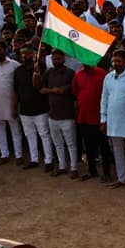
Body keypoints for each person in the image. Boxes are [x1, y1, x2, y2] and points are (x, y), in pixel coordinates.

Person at [101, 49, 125, 189]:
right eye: (113, 61)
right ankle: (121, 178)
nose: (115, 63)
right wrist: (103, 118)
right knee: (117, 151)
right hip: (113, 121)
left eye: (118, 61)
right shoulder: (108, 77)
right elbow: (104, 99)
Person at [14, 46, 53, 171]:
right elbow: (16, 90)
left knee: (44, 135)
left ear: (33, 54)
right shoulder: (18, 70)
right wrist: (16, 107)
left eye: (27, 53)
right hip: (25, 109)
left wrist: (37, 73)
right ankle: (34, 159)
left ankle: (49, 160)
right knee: (30, 135)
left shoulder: (41, 67)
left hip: (40, 108)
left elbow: (44, 86)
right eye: (22, 53)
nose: (25, 56)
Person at [43, 49, 79, 177]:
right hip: (52, 115)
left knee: (71, 144)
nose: (56, 60)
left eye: (58, 58)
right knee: (58, 143)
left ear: (63, 58)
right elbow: (41, 89)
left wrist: (61, 90)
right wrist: (53, 90)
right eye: (53, 58)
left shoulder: (71, 73)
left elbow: (72, 90)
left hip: (67, 115)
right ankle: (62, 166)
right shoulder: (48, 73)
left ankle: (74, 168)